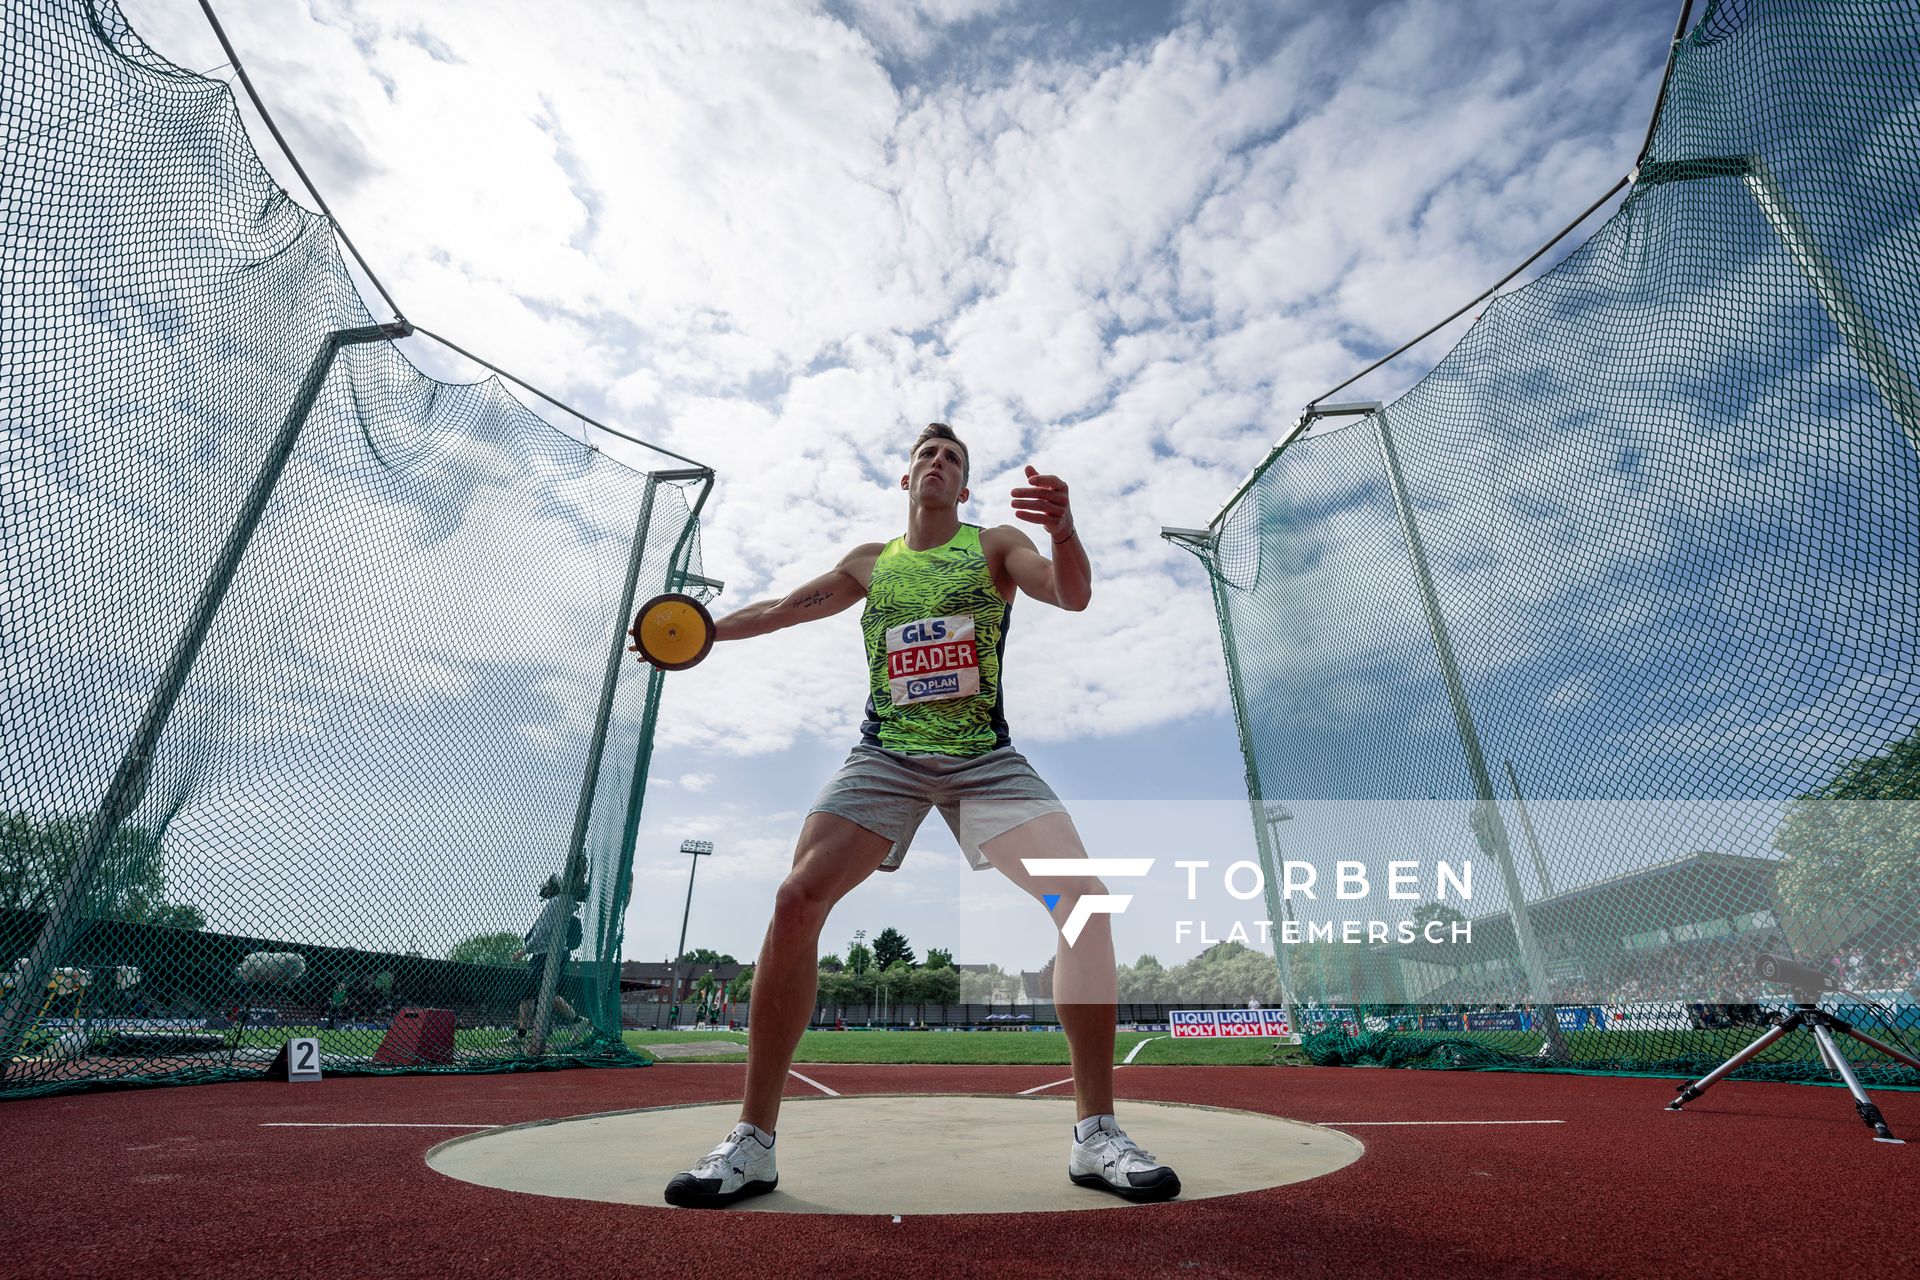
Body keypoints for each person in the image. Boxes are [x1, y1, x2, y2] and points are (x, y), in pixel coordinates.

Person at [643, 422, 1179, 1208]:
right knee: (795, 900)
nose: (937, 463)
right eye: (927, 454)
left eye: (952, 459)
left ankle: (1096, 1134)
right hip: (886, 756)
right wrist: (699, 631)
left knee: (1083, 901)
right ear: (906, 479)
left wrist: (1064, 531)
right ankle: (752, 1142)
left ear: (964, 486)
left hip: (982, 758)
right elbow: (784, 609)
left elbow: (1071, 594)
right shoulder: (871, 563)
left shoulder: (994, 545)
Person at [515, 869, 585, 1038]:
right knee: (529, 994)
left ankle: (577, 1021)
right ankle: (521, 1034)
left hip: (545, 954)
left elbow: (542, 932)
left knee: (544, 993)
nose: (544, 888)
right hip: (549, 954)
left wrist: (523, 951)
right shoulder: (563, 903)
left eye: (548, 885)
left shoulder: (555, 903)